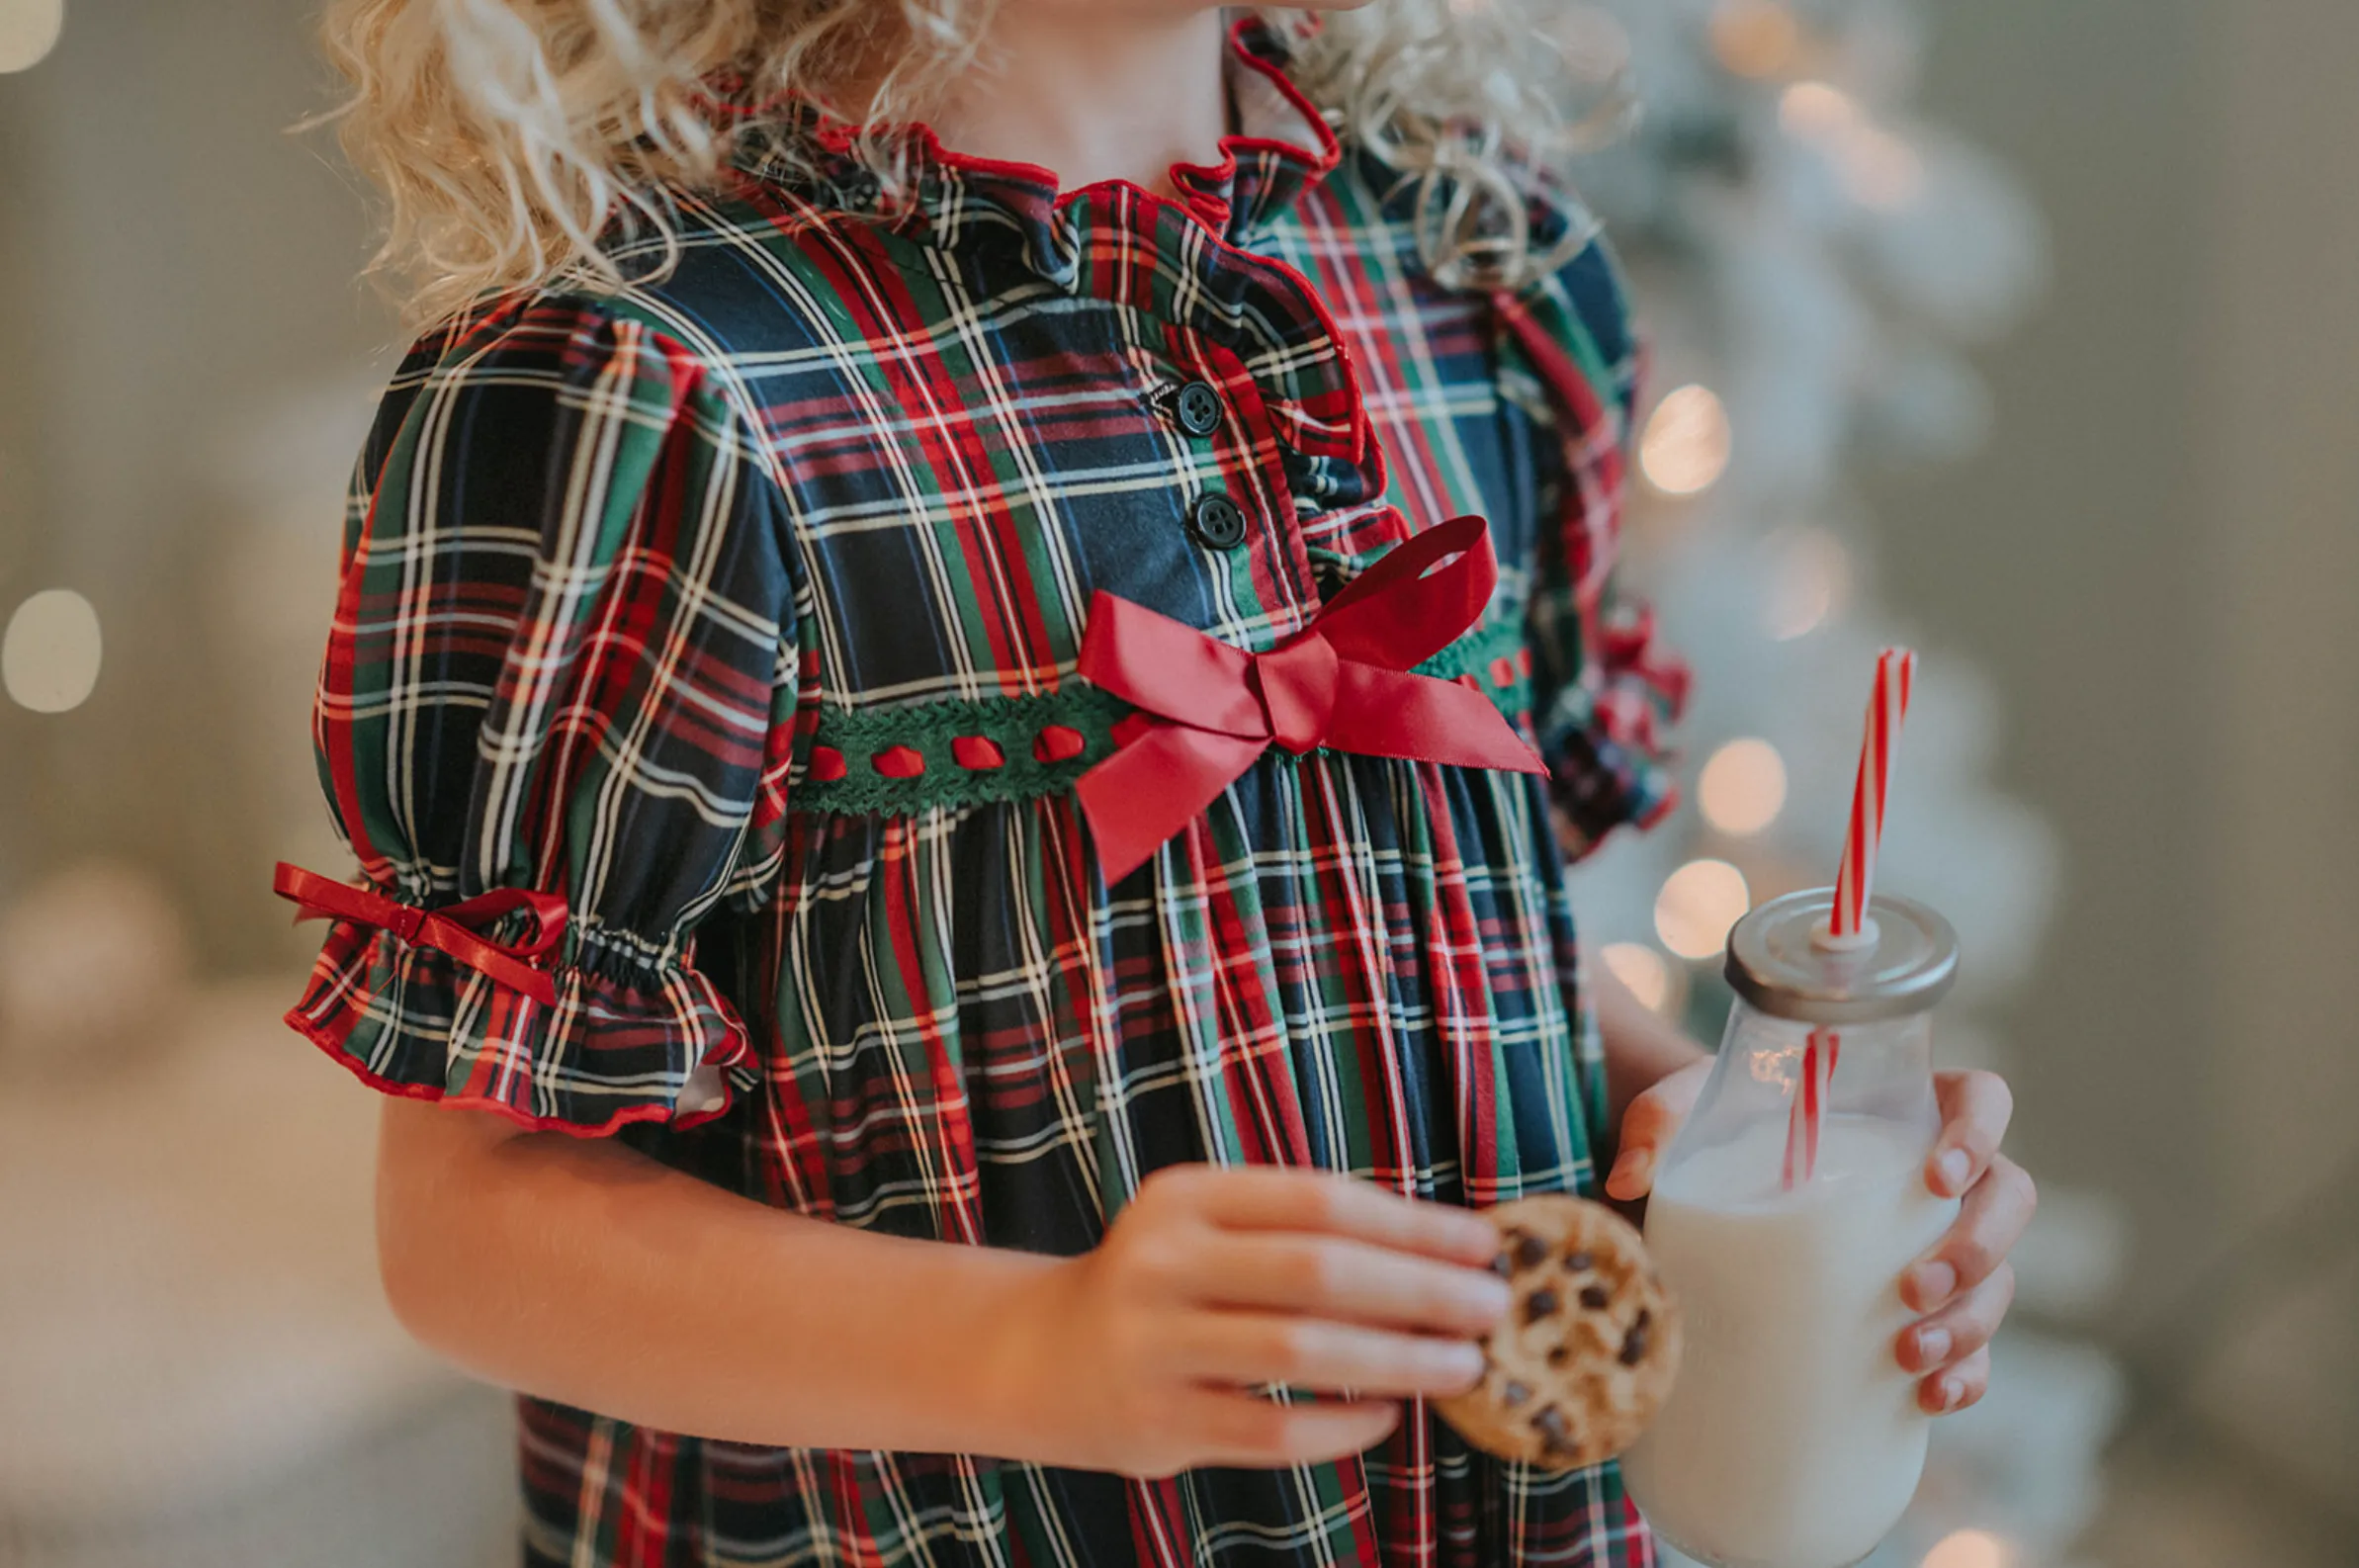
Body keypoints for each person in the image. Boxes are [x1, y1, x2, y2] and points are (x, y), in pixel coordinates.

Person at [280, 2, 2036, 1563]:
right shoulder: (647, 381)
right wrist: (1035, 1352)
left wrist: (1711, 1146)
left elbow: (1460, 924)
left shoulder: (1471, 275)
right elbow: (466, 1220)